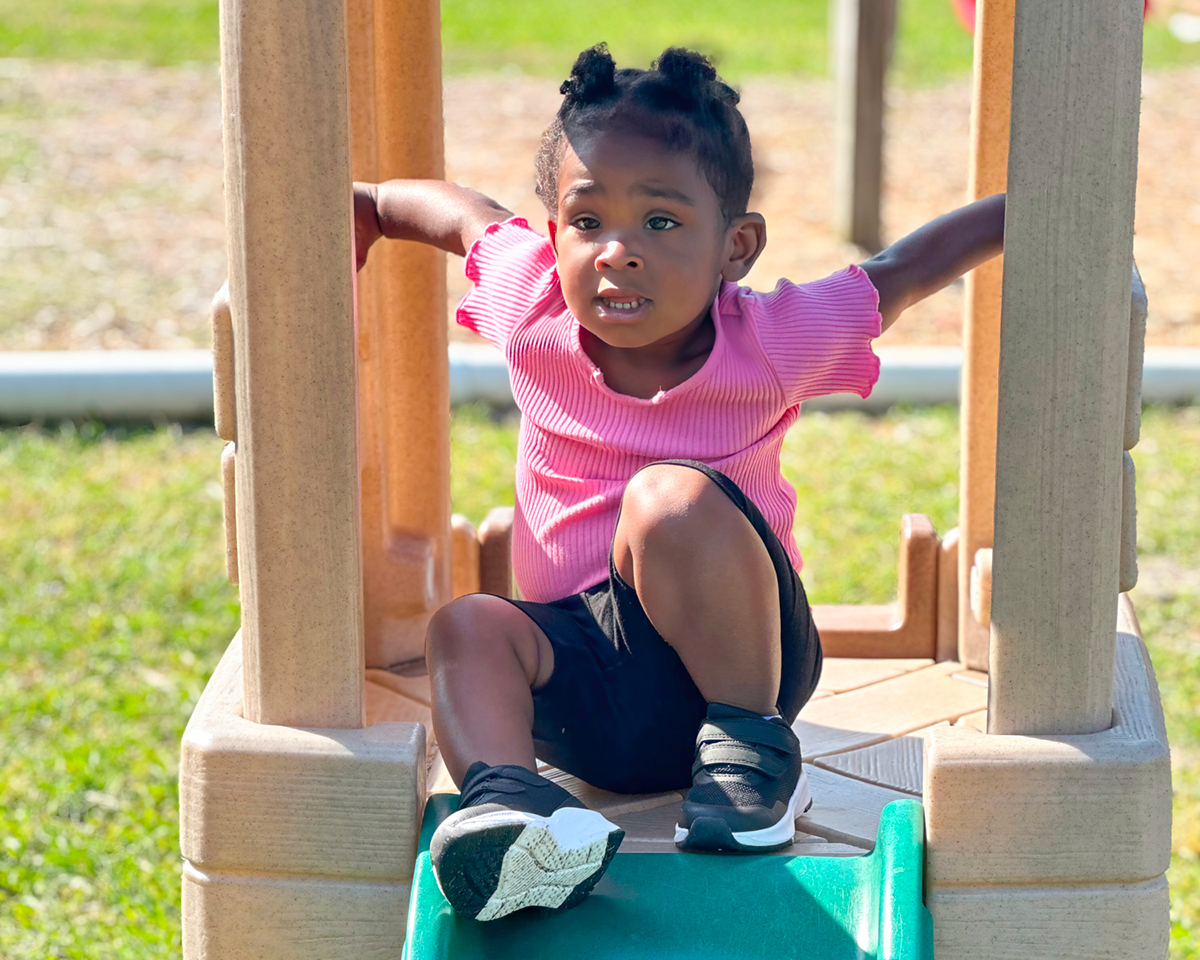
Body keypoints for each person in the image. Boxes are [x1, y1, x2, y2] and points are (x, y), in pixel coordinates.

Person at [353, 44, 1004, 922]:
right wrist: (372, 206)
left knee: (668, 500)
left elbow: (900, 274)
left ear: (735, 247)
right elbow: (466, 217)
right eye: (588, 222)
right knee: (469, 623)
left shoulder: (768, 339)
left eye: (661, 224)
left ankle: (747, 765)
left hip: (737, 665)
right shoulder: (532, 303)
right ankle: (513, 807)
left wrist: (1030, 207)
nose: (617, 252)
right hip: (583, 701)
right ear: (554, 237)